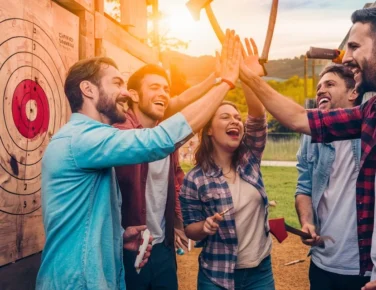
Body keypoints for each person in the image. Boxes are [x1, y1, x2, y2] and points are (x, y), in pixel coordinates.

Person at [239, 2, 376, 290]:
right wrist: (250, 78)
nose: (346, 57)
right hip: (375, 277)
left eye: (355, 46)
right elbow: (297, 118)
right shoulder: (375, 114)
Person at [36, 30, 242, 290]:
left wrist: (120, 237)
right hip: (75, 282)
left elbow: (84, 221)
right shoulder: (81, 138)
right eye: (116, 84)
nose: (125, 92)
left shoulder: (92, 139)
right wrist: (224, 82)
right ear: (88, 89)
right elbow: (158, 141)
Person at [114, 57, 227, 289]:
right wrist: (225, 81)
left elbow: (175, 179)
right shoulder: (120, 132)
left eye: (166, 89)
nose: (164, 94)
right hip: (129, 248)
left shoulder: (165, 135)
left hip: (163, 246)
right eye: (154, 87)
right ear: (134, 95)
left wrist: (176, 222)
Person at [180, 38, 275, 290]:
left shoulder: (250, 159)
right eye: (225, 117)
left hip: (260, 272)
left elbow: (257, 116)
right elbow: (190, 229)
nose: (235, 121)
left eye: (237, 117)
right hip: (216, 274)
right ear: (209, 130)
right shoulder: (195, 179)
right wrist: (206, 226)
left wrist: (248, 76)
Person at [295, 64, 370, 290]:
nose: (320, 90)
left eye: (330, 84)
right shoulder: (310, 137)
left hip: (365, 267)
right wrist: (307, 222)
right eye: (319, 87)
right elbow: (304, 188)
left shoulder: (371, 127)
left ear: (353, 93)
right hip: (322, 264)